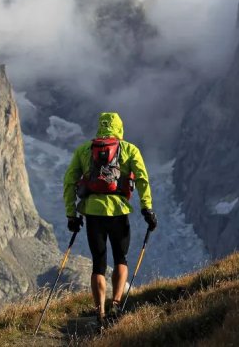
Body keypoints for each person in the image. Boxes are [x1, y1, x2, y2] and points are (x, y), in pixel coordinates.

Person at [63, 112, 157, 325]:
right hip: (118, 212)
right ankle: (116, 304)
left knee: (98, 264)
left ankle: (100, 313)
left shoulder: (84, 150)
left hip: (93, 213)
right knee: (120, 258)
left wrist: (71, 214)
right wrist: (147, 208)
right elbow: (142, 179)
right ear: (119, 128)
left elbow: (69, 181)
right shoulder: (129, 149)